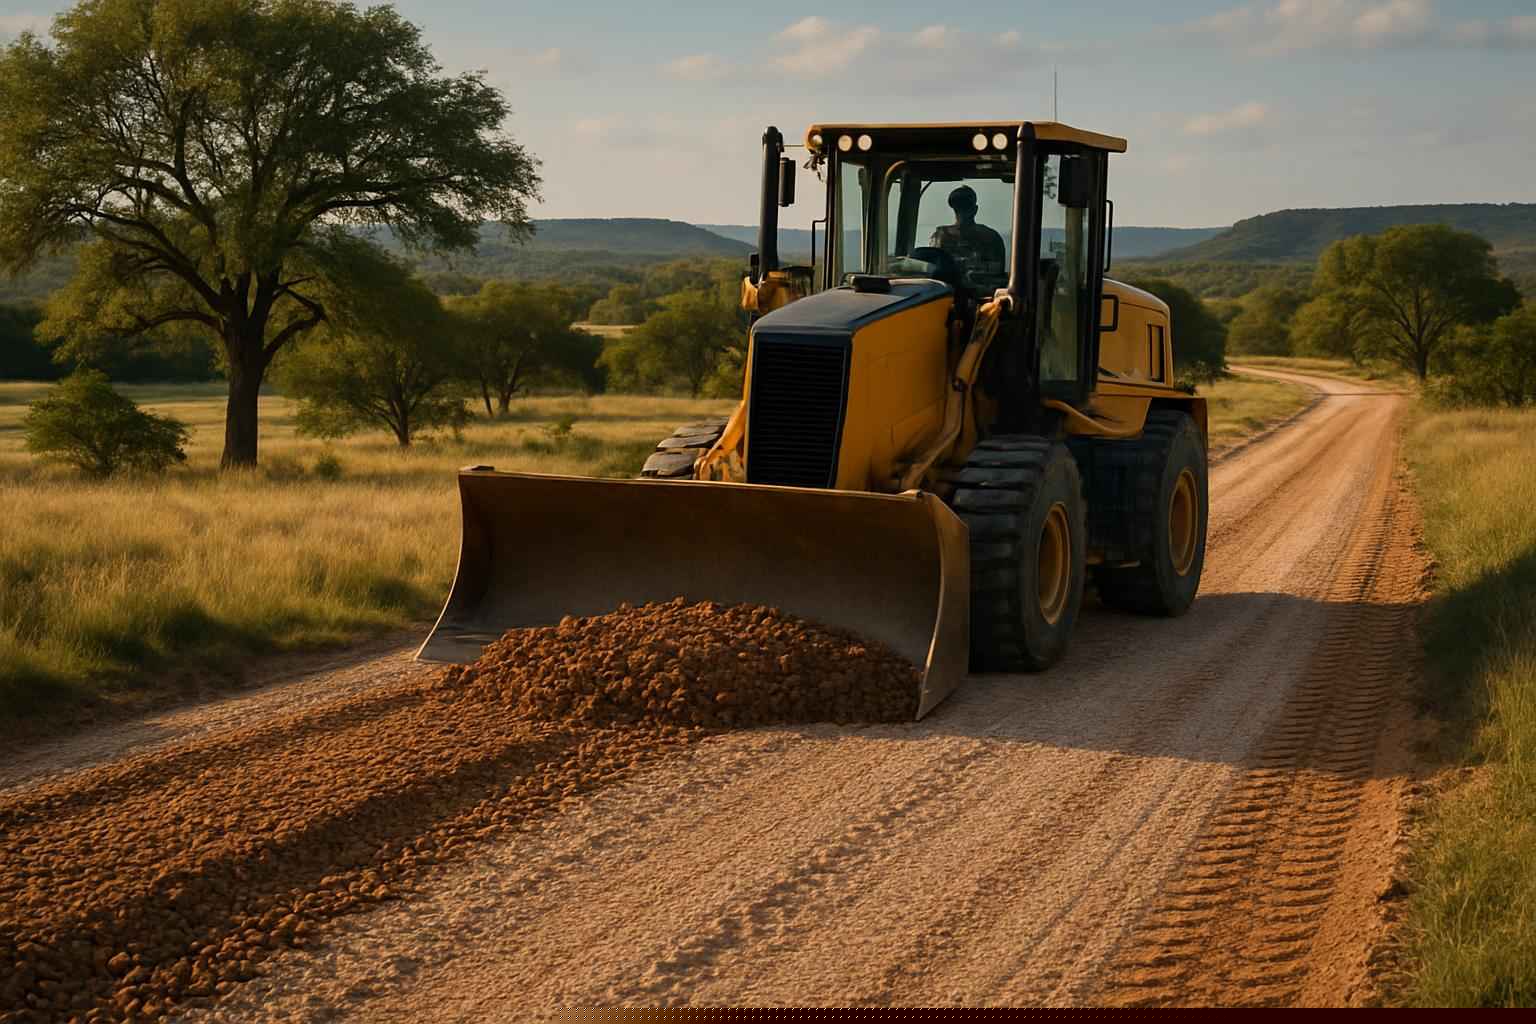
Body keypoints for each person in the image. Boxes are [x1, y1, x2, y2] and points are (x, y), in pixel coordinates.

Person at [929, 185, 1007, 275]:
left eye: (965, 208)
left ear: (975, 209)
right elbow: (932, 269)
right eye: (958, 209)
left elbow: (997, 271)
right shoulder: (940, 237)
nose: (961, 214)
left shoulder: (990, 238)